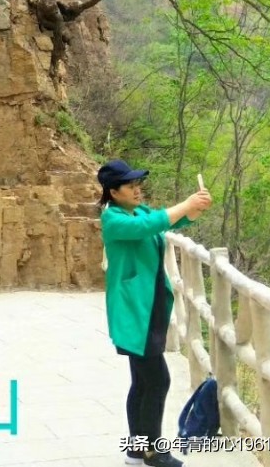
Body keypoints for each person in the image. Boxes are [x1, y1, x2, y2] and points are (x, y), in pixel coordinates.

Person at [98, 158, 212, 467]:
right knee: (158, 380)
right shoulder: (114, 219)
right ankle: (153, 451)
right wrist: (186, 203)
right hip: (134, 312)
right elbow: (149, 225)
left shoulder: (139, 211)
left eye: (138, 184)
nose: (138, 190)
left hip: (150, 308)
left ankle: (137, 449)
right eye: (130, 185)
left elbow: (169, 222)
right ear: (113, 191)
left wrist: (196, 207)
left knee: (142, 382)